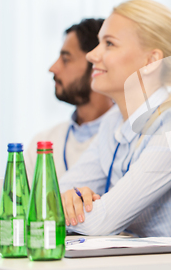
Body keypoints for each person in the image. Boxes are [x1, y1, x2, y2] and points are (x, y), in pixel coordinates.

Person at [59, 0, 171, 247]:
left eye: (109, 44)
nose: (92, 55)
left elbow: (101, 223)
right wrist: (69, 199)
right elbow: (49, 197)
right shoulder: (112, 123)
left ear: (152, 61)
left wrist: (66, 210)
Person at [25, 19, 113, 180]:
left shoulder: (125, 139)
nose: (53, 68)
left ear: (97, 62)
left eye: (66, 59)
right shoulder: (44, 142)